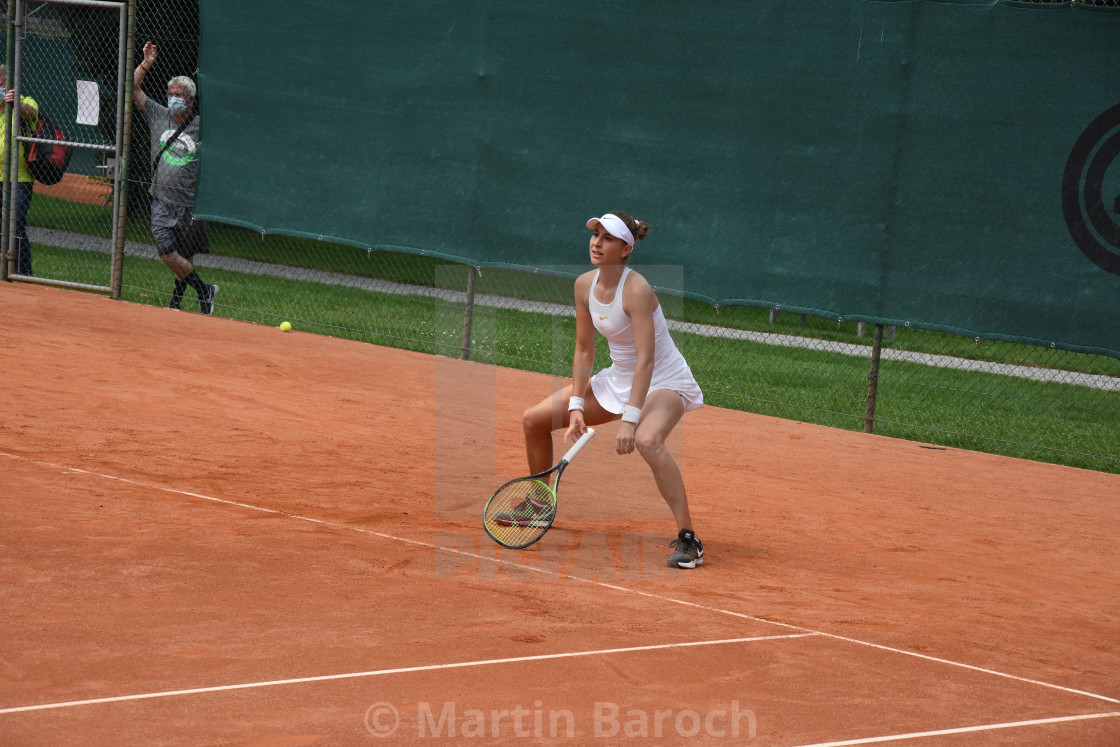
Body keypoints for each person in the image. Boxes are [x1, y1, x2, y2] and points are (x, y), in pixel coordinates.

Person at [520, 211, 706, 568]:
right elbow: (584, 348)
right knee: (533, 420)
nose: (596, 242)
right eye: (595, 235)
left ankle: (689, 539)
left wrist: (630, 419)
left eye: (607, 238)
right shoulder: (583, 285)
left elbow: (646, 361)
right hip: (619, 378)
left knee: (648, 441)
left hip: (663, 381)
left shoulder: (637, 290)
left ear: (625, 248)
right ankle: (540, 504)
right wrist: (576, 405)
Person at [132, 42, 218, 313]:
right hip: (161, 199)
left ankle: (177, 302)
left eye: (179, 94)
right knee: (167, 251)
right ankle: (205, 289)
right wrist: (145, 64)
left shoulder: (202, 126)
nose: (174, 98)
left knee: (184, 254)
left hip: (190, 203)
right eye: (171, 93)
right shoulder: (159, 114)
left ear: (191, 99)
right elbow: (132, 89)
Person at [0, 64, 39, 277]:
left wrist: (14, 103)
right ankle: (3, 273)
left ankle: (23, 274)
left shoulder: (24, 101)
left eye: (1, 82)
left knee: (15, 225)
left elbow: (32, 113)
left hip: (18, 178)